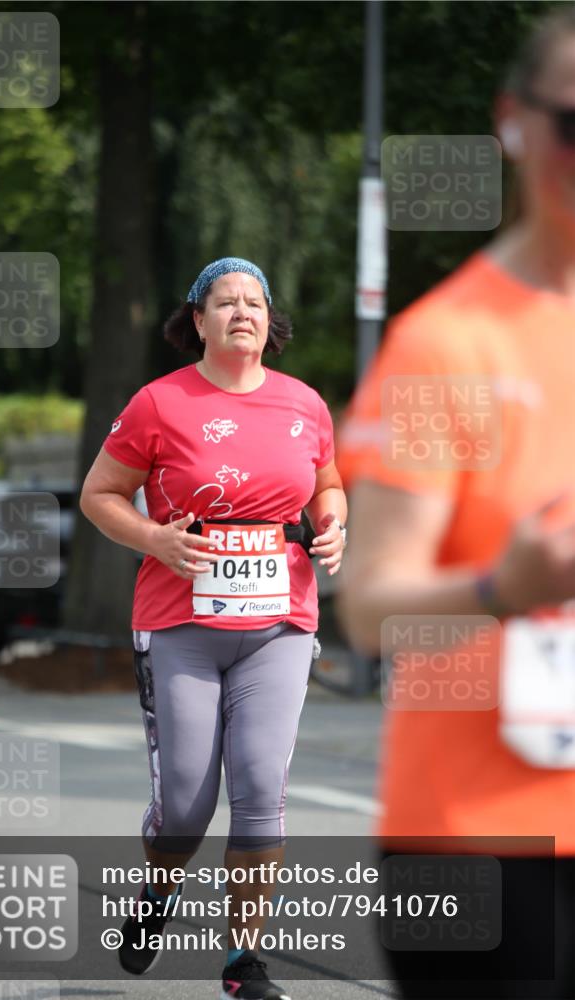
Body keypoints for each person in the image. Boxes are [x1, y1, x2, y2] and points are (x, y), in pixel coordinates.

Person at [337, 9, 575, 1000]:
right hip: (484, 847)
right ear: (513, 123)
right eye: (574, 123)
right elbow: (366, 605)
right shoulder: (449, 344)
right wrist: (498, 586)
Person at [80, 256, 347, 1000]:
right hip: (179, 624)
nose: (241, 313)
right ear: (195, 321)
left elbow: (326, 482)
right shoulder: (159, 403)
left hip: (281, 622)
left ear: (270, 321)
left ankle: (241, 963)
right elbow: (100, 494)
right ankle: (158, 895)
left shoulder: (303, 404)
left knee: (261, 786)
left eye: (254, 303)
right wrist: (155, 540)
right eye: (224, 302)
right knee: (188, 806)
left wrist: (331, 525)